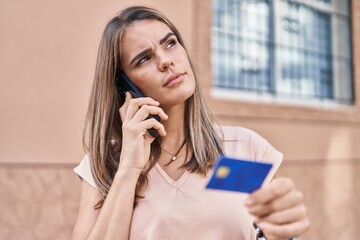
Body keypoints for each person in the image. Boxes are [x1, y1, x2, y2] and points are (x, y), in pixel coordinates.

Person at [72, 6, 309, 240]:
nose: (165, 61)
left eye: (170, 43)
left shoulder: (242, 148)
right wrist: (128, 168)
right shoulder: (104, 164)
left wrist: (283, 231)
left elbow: (274, 230)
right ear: (123, 86)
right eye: (144, 58)